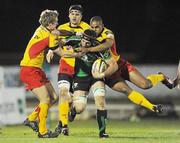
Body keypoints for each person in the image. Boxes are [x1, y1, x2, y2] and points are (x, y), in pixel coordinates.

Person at [76, 16, 177, 113]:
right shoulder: (87, 35)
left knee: (146, 85)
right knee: (126, 90)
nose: (94, 29)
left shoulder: (108, 33)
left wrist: (88, 49)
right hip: (108, 71)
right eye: (92, 27)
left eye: (97, 27)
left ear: (102, 25)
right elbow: (70, 35)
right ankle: (152, 107)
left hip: (120, 64)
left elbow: (108, 44)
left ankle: (161, 77)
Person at [46, 5, 90, 136]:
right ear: (69, 15)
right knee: (63, 92)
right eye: (72, 13)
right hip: (66, 65)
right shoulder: (62, 28)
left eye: (77, 13)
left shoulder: (87, 28)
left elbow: (90, 43)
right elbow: (55, 41)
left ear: (81, 16)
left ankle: (72, 111)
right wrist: (50, 50)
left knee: (80, 108)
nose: (75, 16)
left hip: (82, 68)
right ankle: (63, 125)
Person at [19, 9, 60, 138]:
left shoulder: (42, 30)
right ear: (50, 24)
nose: (57, 24)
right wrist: (77, 54)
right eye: (55, 22)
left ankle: (31, 119)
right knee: (45, 99)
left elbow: (56, 37)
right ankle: (43, 132)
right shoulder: (48, 35)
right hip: (29, 69)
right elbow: (60, 50)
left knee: (53, 97)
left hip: (36, 69)